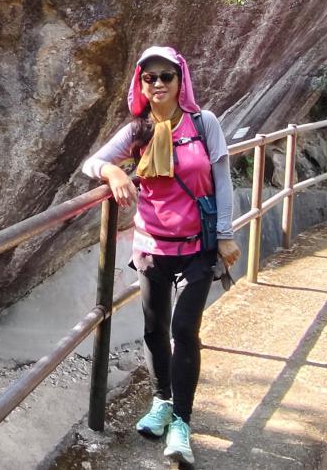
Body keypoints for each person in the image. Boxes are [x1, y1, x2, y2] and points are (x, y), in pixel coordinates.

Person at [81, 46, 240, 468]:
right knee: (154, 330)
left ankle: (181, 423)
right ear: (141, 84)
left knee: (184, 329)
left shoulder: (203, 124)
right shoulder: (138, 131)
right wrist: (114, 171)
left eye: (166, 75)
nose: (157, 83)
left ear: (180, 79)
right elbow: (91, 163)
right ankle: (162, 402)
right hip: (152, 246)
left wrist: (226, 235)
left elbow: (222, 181)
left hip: (198, 246)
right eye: (149, 77)